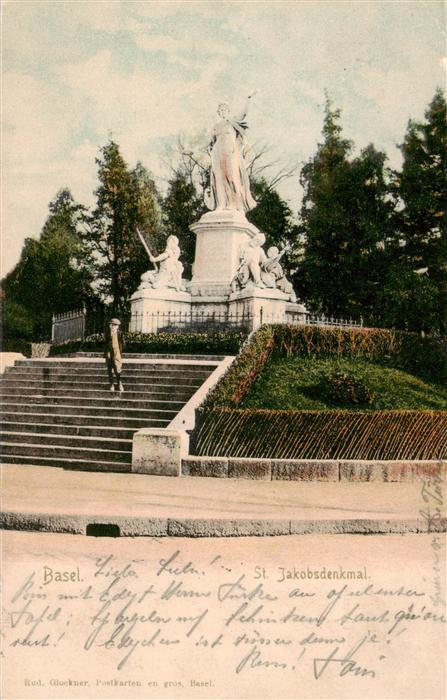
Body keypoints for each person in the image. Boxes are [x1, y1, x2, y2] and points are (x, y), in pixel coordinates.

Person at [206, 93, 257, 213]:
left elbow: (243, 114)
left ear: (228, 111)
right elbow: (211, 142)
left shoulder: (232, 122)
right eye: (220, 110)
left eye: (224, 109)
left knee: (232, 177)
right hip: (218, 152)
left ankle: (236, 204)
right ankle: (221, 204)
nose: (222, 111)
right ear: (218, 112)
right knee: (219, 178)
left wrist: (247, 99)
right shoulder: (216, 126)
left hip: (231, 151)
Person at [104, 318, 124, 393]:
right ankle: (111, 384)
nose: (112, 326)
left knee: (117, 368)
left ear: (118, 326)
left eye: (114, 325)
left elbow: (123, 343)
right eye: (111, 325)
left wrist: (119, 351)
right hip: (109, 352)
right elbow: (105, 344)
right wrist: (106, 353)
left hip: (117, 352)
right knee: (110, 369)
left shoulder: (120, 333)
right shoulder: (107, 333)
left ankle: (119, 383)